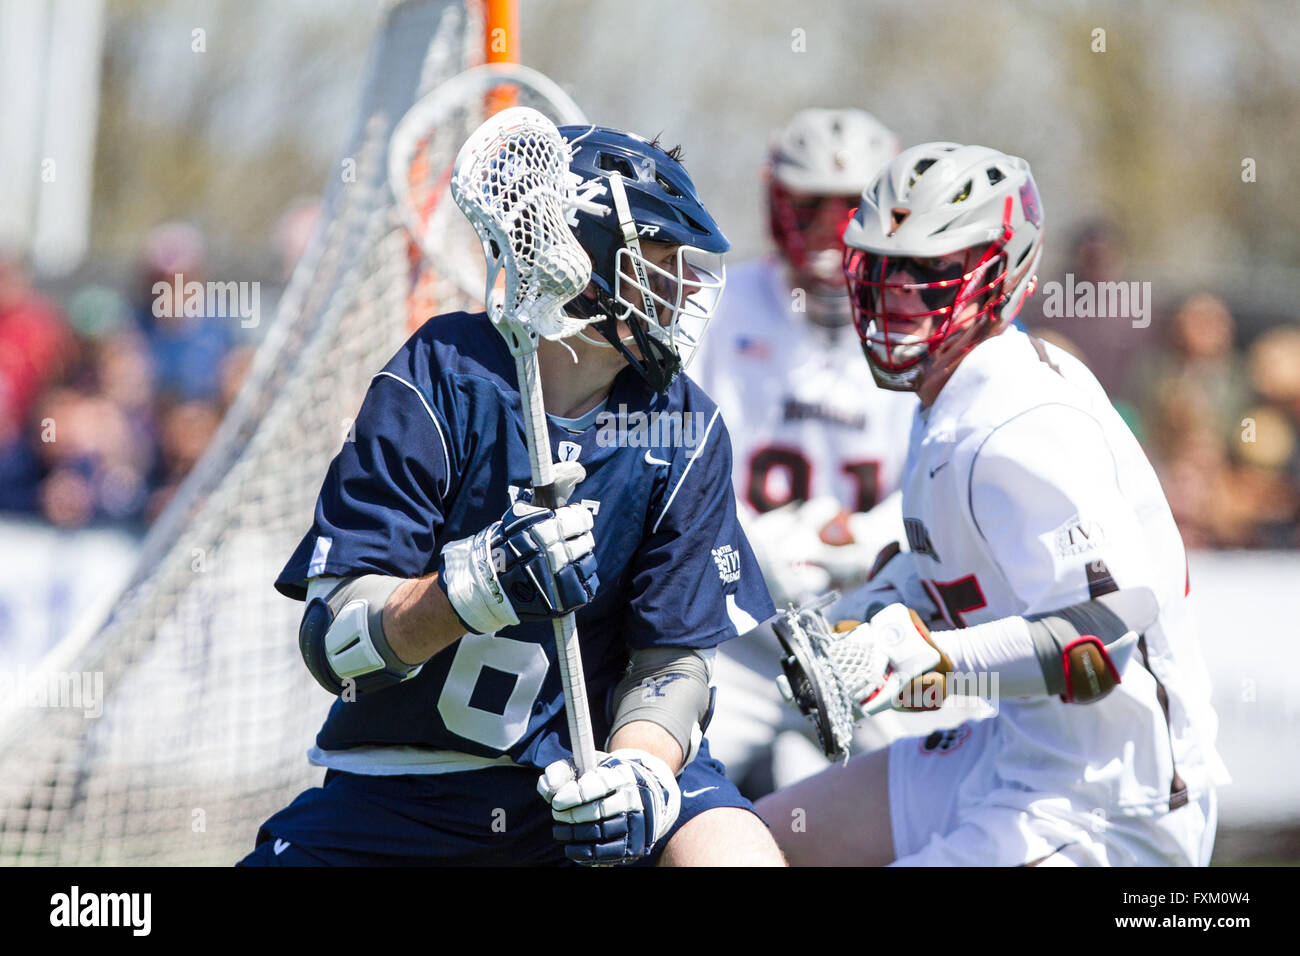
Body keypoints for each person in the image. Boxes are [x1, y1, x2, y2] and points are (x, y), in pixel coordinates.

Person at [238, 125, 785, 866]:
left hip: (590, 779)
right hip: (411, 787)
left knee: (734, 852)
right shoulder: (441, 375)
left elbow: (672, 664)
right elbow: (335, 644)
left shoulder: (682, 423)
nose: (686, 287)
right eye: (658, 261)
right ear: (579, 264)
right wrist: (474, 590)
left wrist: (642, 773)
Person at [757, 142, 1229, 866]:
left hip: (1112, 802)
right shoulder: (953, 393)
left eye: (934, 271)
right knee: (742, 842)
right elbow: (965, 572)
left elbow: (1099, 641)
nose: (900, 295)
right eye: (884, 266)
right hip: (1014, 749)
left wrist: (931, 661)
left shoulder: (1019, 422)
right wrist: (872, 610)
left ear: (1003, 274)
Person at [690, 109, 921, 795]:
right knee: (665, 792)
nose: (831, 229)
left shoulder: (923, 320)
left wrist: (873, 539)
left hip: (872, 629)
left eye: (852, 208)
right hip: (739, 632)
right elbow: (666, 457)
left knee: (921, 808)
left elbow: (954, 476)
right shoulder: (713, 306)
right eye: (810, 206)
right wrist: (743, 544)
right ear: (775, 203)